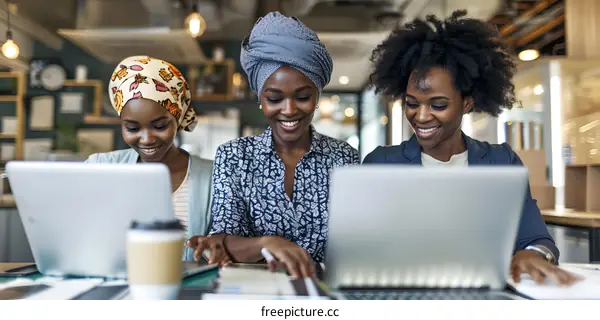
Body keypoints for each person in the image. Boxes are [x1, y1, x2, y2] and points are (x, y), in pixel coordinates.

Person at [363, 10, 580, 286]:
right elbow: (359, 245)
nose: (421, 115)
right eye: (412, 103)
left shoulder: (502, 162)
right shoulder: (381, 163)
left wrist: (534, 254)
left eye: (438, 105)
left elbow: (538, 239)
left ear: (467, 103)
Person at [188, 12, 360, 278]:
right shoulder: (234, 156)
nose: (289, 110)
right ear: (260, 98)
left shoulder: (343, 158)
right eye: (274, 98)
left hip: (324, 291)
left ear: (317, 96)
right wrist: (267, 243)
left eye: (302, 97)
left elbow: (354, 241)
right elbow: (223, 242)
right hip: (254, 291)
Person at [84, 55, 217, 263]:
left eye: (160, 126)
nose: (147, 139)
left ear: (178, 118)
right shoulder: (100, 168)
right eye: (133, 128)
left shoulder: (214, 176)